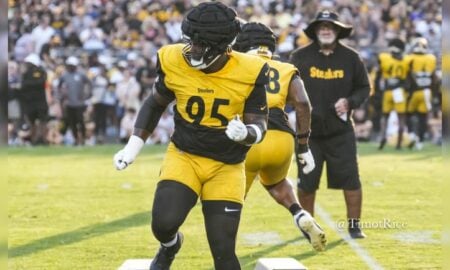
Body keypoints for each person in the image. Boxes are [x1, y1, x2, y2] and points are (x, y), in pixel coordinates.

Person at [113, 2, 269, 270]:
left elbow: (260, 123)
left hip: (226, 166)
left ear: (222, 46)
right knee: (163, 224)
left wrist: (247, 134)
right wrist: (133, 146)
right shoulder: (173, 60)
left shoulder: (250, 70)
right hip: (185, 156)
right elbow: (155, 103)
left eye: (201, 44)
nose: (192, 49)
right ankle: (170, 245)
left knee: (223, 251)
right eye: (191, 41)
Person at [233, 22, 326, 251]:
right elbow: (303, 104)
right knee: (276, 181)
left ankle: (225, 254)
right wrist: (303, 146)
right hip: (282, 140)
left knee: (228, 202)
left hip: (249, 136)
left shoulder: (236, 65)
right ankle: (299, 213)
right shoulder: (285, 68)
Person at [289, 10, 370, 239]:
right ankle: (308, 227)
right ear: (315, 31)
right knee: (307, 182)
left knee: (351, 180)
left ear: (337, 31)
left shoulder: (351, 58)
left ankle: (354, 226)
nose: (326, 30)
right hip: (308, 133)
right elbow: (288, 88)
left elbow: (364, 87)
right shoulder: (299, 56)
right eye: (321, 26)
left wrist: (350, 101)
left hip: (341, 132)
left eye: (330, 26)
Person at [375, 38, 411, 150]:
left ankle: (382, 138)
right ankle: (399, 144)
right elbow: (409, 78)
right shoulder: (407, 60)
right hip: (399, 91)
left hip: (388, 91)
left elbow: (378, 76)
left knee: (385, 117)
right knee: (401, 118)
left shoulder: (384, 58)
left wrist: (377, 90)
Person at [406, 37, 438, 150]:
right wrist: (435, 94)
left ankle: (412, 135)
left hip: (414, 92)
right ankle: (419, 140)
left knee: (407, 114)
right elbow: (434, 78)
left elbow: (408, 76)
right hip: (426, 91)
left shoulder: (410, 58)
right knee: (422, 117)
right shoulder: (431, 58)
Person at [59, 56, 91, 146]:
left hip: (80, 103)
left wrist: (87, 95)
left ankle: (83, 139)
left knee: (81, 121)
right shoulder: (65, 75)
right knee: (72, 122)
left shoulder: (81, 75)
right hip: (69, 103)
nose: (70, 67)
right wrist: (62, 96)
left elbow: (89, 83)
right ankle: (76, 139)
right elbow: (59, 86)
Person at [20, 53, 49, 145]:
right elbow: (24, 85)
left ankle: (42, 139)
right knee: (31, 121)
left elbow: (40, 82)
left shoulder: (41, 72)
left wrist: (29, 84)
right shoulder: (25, 73)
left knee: (42, 121)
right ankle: (34, 140)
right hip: (30, 102)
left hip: (40, 101)